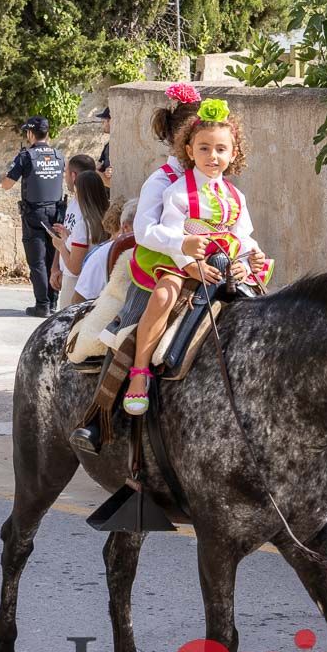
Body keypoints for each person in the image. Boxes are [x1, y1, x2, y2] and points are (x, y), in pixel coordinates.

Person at [68, 82, 207, 452]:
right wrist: (181, 249)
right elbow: (145, 232)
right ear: (182, 140)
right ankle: (103, 415)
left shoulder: (215, 183)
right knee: (130, 331)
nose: (208, 150)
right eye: (200, 140)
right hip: (161, 267)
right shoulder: (162, 181)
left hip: (208, 268)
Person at [122, 98, 268, 414]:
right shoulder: (172, 187)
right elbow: (160, 229)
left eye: (220, 149)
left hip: (221, 264)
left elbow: (243, 236)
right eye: (204, 148)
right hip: (176, 258)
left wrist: (247, 261)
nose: (212, 156)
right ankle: (138, 372)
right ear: (188, 148)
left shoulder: (235, 195)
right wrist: (188, 259)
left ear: (233, 152)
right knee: (164, 295)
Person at [1, 116, 66, 317]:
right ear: (47, 133)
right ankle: (53, 303)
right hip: (56, 213)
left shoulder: (26, 156)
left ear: (30, 134)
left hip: (34, 215)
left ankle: (42, 305)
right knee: (52, 258)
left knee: (37, 261)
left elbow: (6, 184)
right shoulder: (59, 155)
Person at [52, 170, 110, 309]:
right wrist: (68, 237)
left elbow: (74, 268)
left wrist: (60, 246)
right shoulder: (105, 219)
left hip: (76, 285)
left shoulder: (82, 225)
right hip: (99, 284)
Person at [49, 153, 97, 308]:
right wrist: (55, 267)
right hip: (68, 276)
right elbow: (66, 237)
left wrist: (61, 246)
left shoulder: (84, 216)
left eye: (65, 172)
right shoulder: (74, 203)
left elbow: (75, 267)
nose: (64, 177)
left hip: (77, 281)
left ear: (74, 176)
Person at [73, 197, 137, 303]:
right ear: (125, 228)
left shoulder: (102, 254)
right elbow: (80, 299)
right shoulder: (104, 254)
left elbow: (79, 299)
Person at [95, 106, 112, 189]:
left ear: (110, 121)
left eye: (103, 122)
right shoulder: (108, 145)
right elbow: (100, 164)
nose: (103, 125)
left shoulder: (114, 146)